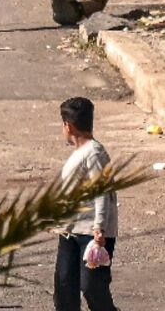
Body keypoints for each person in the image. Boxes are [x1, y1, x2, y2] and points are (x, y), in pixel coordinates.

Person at [55, 97, 118, 311]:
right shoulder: (79, 154)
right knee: (64, 288)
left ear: (68, 126)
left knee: (92, 287)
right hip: (70, 231)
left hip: (92, 235)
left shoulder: (94, 153)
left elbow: (100, 191)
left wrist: (99, 227)